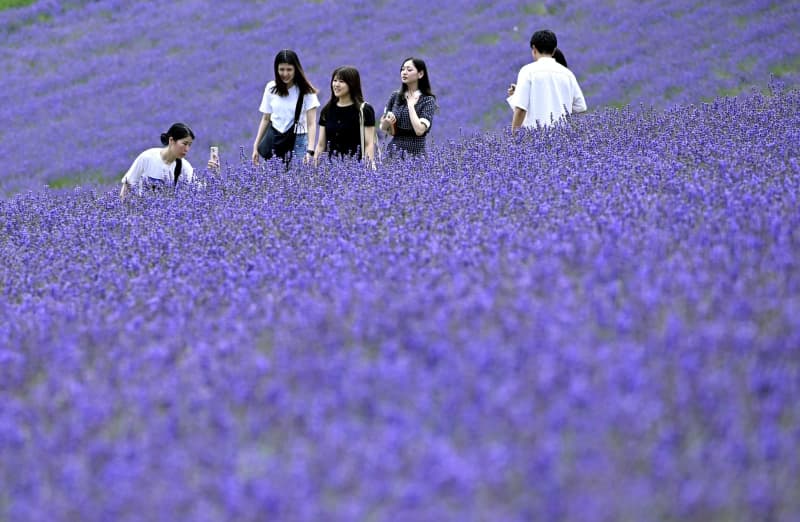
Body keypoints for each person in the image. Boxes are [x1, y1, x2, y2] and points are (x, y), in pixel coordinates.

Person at [252, 49, 320, 165]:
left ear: (296, 69)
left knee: (298, 179)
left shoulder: (306, 91)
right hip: (275, 139)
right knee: (274, 180)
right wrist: (256, 146)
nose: (285, 74)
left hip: (298, 140)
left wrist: (310, 151)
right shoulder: (271, 88)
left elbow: (311, 124)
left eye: (289, 70)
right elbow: (266, 118)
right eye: (281, 70)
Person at [510, 30, 586, 131]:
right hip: (562, 138)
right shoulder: (567, 74)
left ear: (534, 48)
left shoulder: (528, 71)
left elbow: (521, 109)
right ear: (554, 50)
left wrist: (514, 137)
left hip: (534, 138)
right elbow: (580, 107)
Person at [120, 123, 201, 200]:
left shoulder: (185, 167)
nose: (187, 149)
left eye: (189, 145)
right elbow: (128, 184)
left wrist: (213, 170)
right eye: (184, 144)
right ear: (171, 140)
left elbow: (200, 192)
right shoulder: (147, 157)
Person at [314, 66, 376, 166]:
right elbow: (321, 145)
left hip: (356, 169)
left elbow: (369, 144)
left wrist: (368, 169)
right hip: (330, 170)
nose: (336, 85)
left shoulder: (364, 110)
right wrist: (314, 168)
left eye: (341, 81)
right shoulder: (327, 110)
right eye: (334, 80)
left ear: (352, 84)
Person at [379, 57, 437, 157]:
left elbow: (419, 131)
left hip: (416, 152)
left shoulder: (427, 100)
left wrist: (411, 106)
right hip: (393, 152)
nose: (404, 72)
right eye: (402, 69)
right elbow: (383, 127)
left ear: (420, 74)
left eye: (409, 70)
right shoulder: (395, 96)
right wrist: (387, 122)